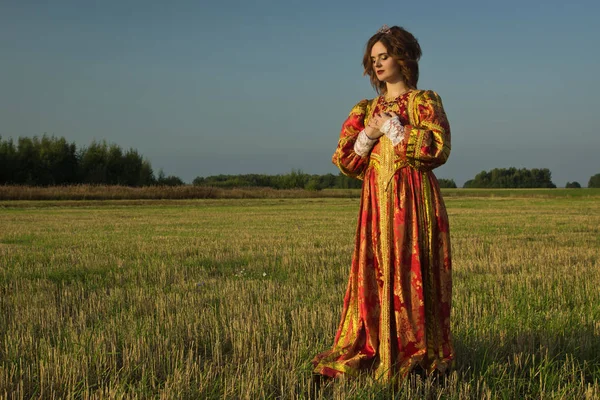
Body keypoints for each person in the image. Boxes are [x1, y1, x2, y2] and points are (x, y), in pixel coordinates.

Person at [312, 25, 453, 383]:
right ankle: (372, 348)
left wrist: (397, 130)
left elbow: (439, 147)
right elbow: (346, 161)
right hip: (376, 201)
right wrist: (370, 134)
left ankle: (419, 356)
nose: (377, 64)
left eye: (384, 56)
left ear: (403, 57)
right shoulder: (365, 109)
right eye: (373, 59)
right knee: (374, 271)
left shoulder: (424, 102)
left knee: (412, 271)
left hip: (414, 198)